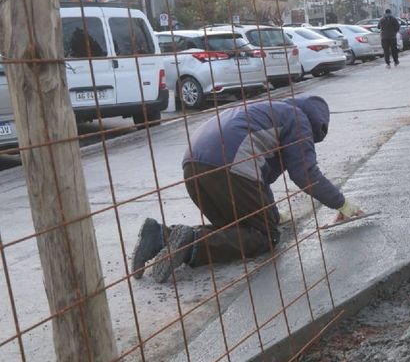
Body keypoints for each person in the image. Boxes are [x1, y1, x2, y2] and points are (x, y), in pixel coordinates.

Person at [132, 95, 364, 283]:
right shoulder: (300, 120)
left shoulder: (267, 110)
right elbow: (304, 173)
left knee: (235, 228)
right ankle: (192, 243)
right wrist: (342, 203)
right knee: (265, 236)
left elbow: (259, 178)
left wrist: (271, 213)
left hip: (192, 167)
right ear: (317, 125)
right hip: (228, 168)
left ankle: (161, 236)